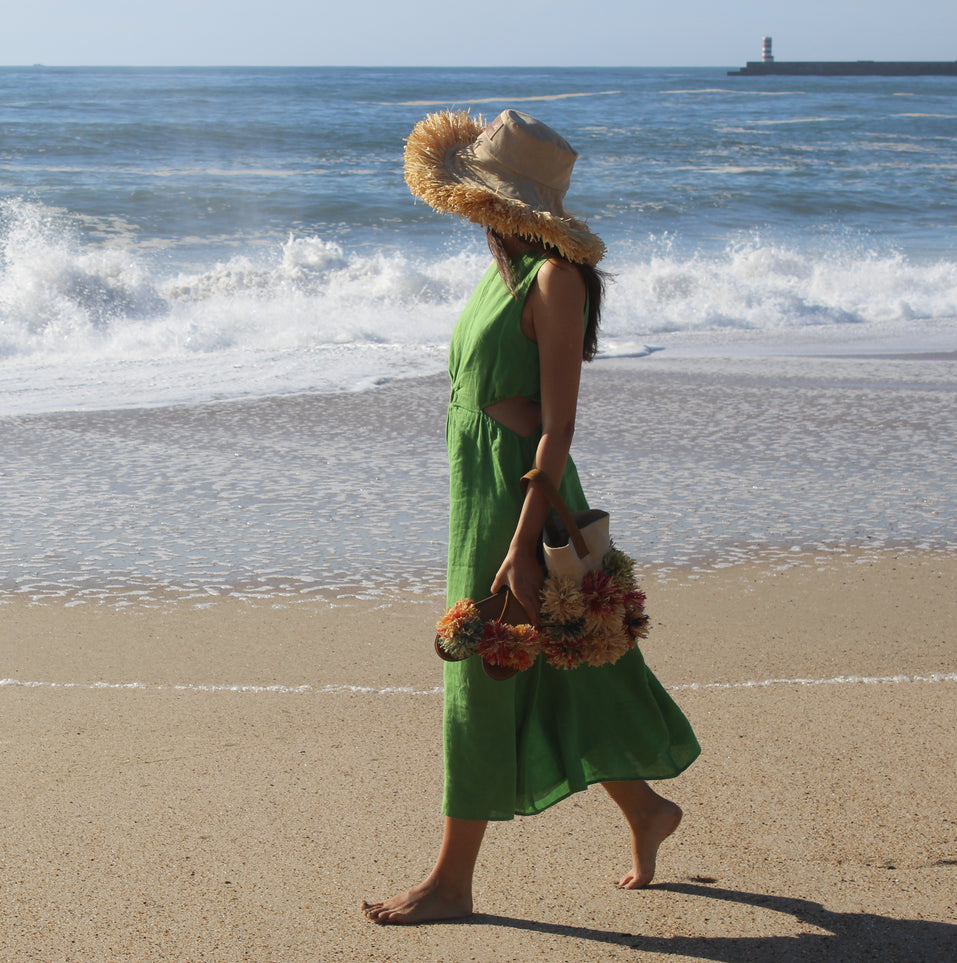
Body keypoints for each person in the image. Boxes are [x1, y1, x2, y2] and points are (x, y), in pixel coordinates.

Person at [362, 109, 701, 925]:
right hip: (482, 483)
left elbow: (558, 422)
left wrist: (519, 545)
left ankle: (450, 881)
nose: (469, 209)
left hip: (522, 497)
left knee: (480, 669)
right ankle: (644, 810)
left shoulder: (553, 279)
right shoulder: (503, 270)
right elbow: (489, 395)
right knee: (555, 662)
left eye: (479, 195)